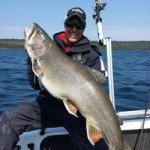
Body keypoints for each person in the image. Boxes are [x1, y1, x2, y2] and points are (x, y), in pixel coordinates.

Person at [0, 7, 108, 150]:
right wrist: (31, 58)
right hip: (46, 105)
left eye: (79, 25)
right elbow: (36, 85)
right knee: (9, 119)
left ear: (84, 28)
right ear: (65, 25)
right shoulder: (52, 46)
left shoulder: (91, 54)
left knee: (98, 146)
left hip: (77, 114)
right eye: (71, 24)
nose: (74, 29)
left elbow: (96, 91)